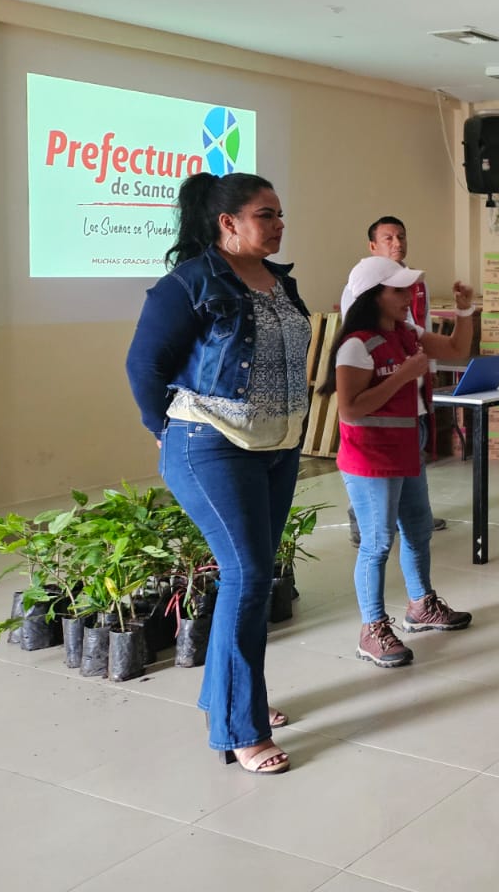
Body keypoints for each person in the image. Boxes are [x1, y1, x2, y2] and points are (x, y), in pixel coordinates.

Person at [124, 173, 310, 775]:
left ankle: (229, 696)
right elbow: (144, 365)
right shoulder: (189, 282)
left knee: (253, 575)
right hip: (210, 443)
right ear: (228, 222)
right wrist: (162, 428)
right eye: (265, 214)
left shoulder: (281, 281)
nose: (278, 224)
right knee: (247, 577)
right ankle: (239, 727)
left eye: (279, 214)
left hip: (277, 446)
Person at [322, 257, 477, 667]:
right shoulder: (356, 345)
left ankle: (421, 605)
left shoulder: (407, 333)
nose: (409, 297)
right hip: (370, 458)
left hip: (406, 450)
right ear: (374, 296)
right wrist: (404, 376)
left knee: (418, 530)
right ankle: (371, 629)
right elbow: (350, 410)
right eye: (398, 290)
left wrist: (464, 311)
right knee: (377, 543)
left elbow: (458, 350)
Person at [343, 216, 448, 541]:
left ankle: (414, 517)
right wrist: (400, 372)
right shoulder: (360, 288)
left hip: (412, 379)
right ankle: (363, 522)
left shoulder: (417, 282)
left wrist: (427, 369)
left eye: (401, 236)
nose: (397, 243)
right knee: (374, 475)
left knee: (413, 455)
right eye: (388, 238)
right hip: (383, 384)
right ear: (372, 246)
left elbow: (422, 327)